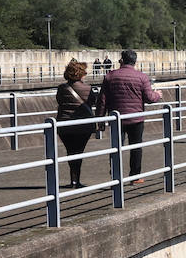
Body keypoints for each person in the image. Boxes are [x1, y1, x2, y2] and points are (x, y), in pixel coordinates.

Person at [97, 49, 163, 184]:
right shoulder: (142, 77)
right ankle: (135, 176)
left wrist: (100, 119)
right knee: (136, 147)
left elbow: (102, 100)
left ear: (122, 60)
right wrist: (158, 95)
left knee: (116, 148)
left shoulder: (110, 76)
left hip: (116, 119)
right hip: (136, 118)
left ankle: (115, 176)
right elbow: (149, 98)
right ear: (135, 61)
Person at [55, 59, 97, 188]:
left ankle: (73, 180)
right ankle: (76, 180)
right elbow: (93, 102)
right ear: (81, 74)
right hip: (83, 126)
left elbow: (59, 101)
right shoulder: (88, 89)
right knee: (79, 152)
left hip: (65, 125)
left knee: (70, 152)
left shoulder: (62, 88)